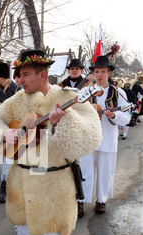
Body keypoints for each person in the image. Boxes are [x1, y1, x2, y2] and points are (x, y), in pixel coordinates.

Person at [0, 49, 102, 235]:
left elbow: (91, 133)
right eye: (18, 75)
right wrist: (5, 133)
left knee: (53, 228)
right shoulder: (16, 101)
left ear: (43, 74)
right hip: (22, 178)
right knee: (28, 226)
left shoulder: (67, 95)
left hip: (55, 179)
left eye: (25, 74)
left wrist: (64, 120)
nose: (20, 80)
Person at [87, 56, 131, 214]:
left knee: (105, 171)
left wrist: (114, 116)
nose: (99, 75)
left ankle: (101, 200)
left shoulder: (118, 92)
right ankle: (81, 200)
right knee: (85, 170)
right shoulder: (86, 91)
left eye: (103, 71)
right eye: (96, 71)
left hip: (107, 137)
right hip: (88, 138)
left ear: (109, 73)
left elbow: (127, 117)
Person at [58, 58, 92, 217]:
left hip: (81, 126)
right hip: (65, 126)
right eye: (71, 69)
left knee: (78, 167)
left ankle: (80, 202)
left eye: (77, 69)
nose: (74, 71)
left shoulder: (87, 84)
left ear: (81, 70)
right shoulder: (61, 85)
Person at [0, 61, 20, 203]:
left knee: (15, 160)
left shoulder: (18, 91)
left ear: (3, 76)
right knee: (5, 159)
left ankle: (8, 185)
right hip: (3, 130)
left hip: (17, 129)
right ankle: (5, 184)